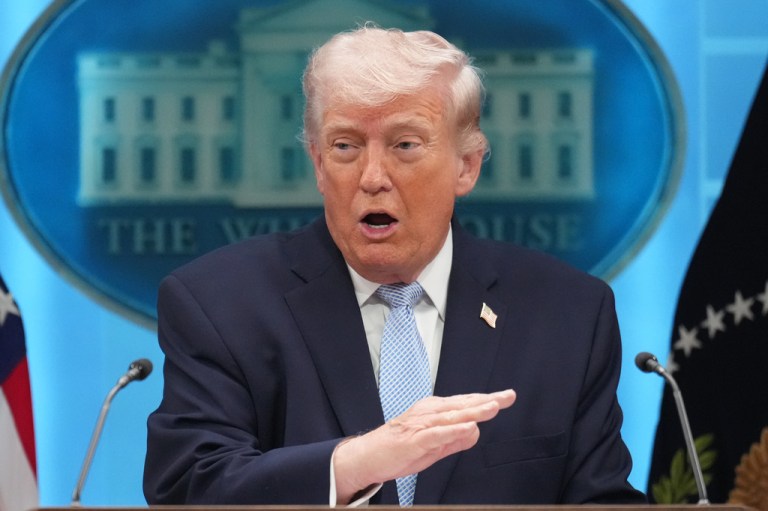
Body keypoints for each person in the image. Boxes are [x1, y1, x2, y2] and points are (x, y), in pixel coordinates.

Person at [144, 25, 645, 506]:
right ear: (318, 164)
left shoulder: (567, 313)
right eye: (345, 146)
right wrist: (354, 465)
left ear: (466, 166)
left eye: (405, 145)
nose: (373, 177)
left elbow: (598, 500)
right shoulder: (220, 303)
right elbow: (190, 485)